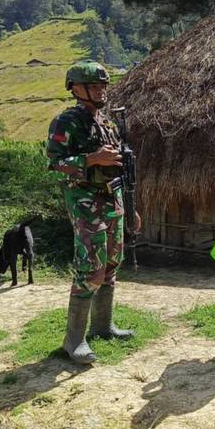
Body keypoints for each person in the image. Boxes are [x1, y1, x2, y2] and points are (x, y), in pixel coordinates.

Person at [46, 60, 141, 364]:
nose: (102, 90)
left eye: (103, 85)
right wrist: (91, 159)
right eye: (95, 85)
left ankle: (103, 326)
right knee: (91, 269)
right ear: (76, 88)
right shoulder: (66, 123)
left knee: (112, 263)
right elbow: (56, 164)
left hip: (113, 201)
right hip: (85, 203)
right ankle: (73, 340)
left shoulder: (108, 123)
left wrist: (130, 208)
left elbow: (119, 169)